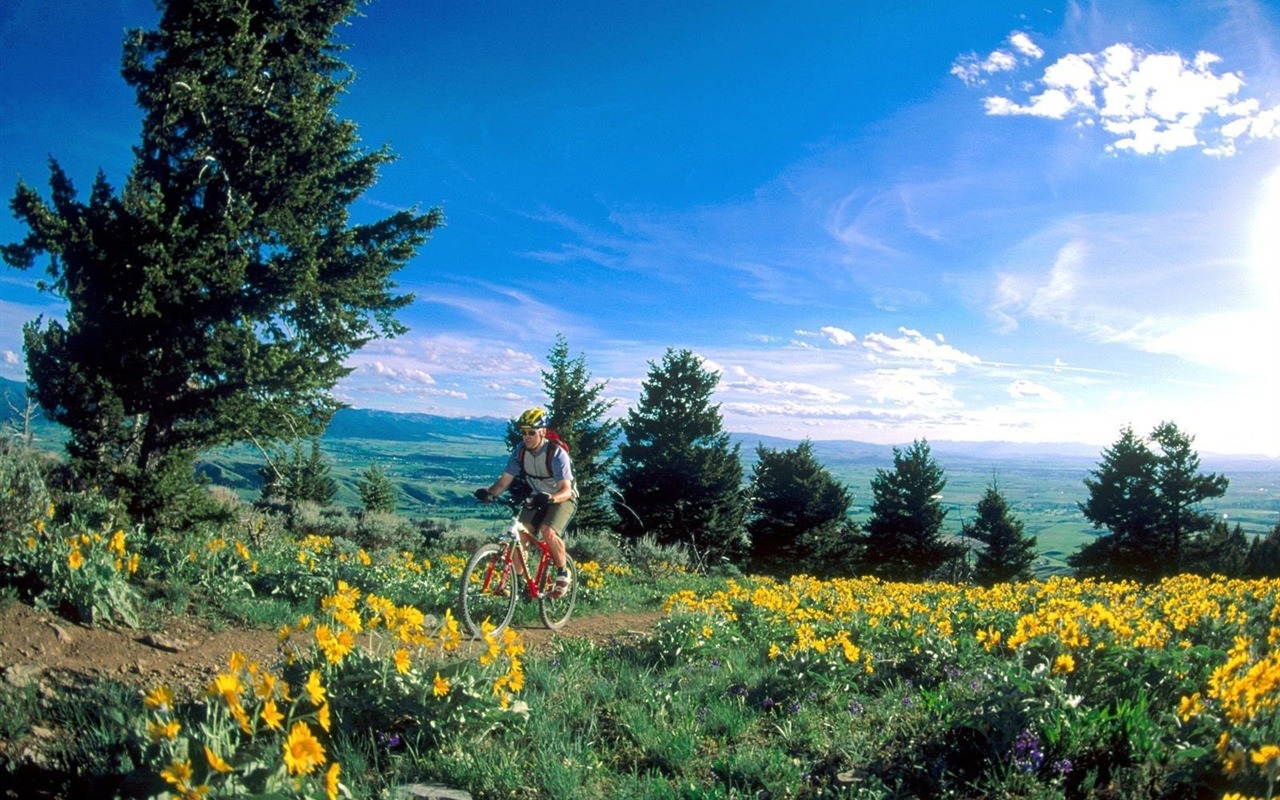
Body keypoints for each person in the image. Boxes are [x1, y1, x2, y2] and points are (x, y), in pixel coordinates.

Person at [475, 407, 577, 597]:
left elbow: (566, 489)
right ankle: (518, 583)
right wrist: (489, 493)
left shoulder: (556, 453)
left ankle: (563, 572)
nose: (527, 437)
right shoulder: (520, 452)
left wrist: (551, 497)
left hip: (562, 497)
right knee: (521, 534)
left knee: (548, 530)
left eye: (532, 432)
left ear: (543, 432)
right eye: (523, 432)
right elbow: (505, 481)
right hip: (537, 496)